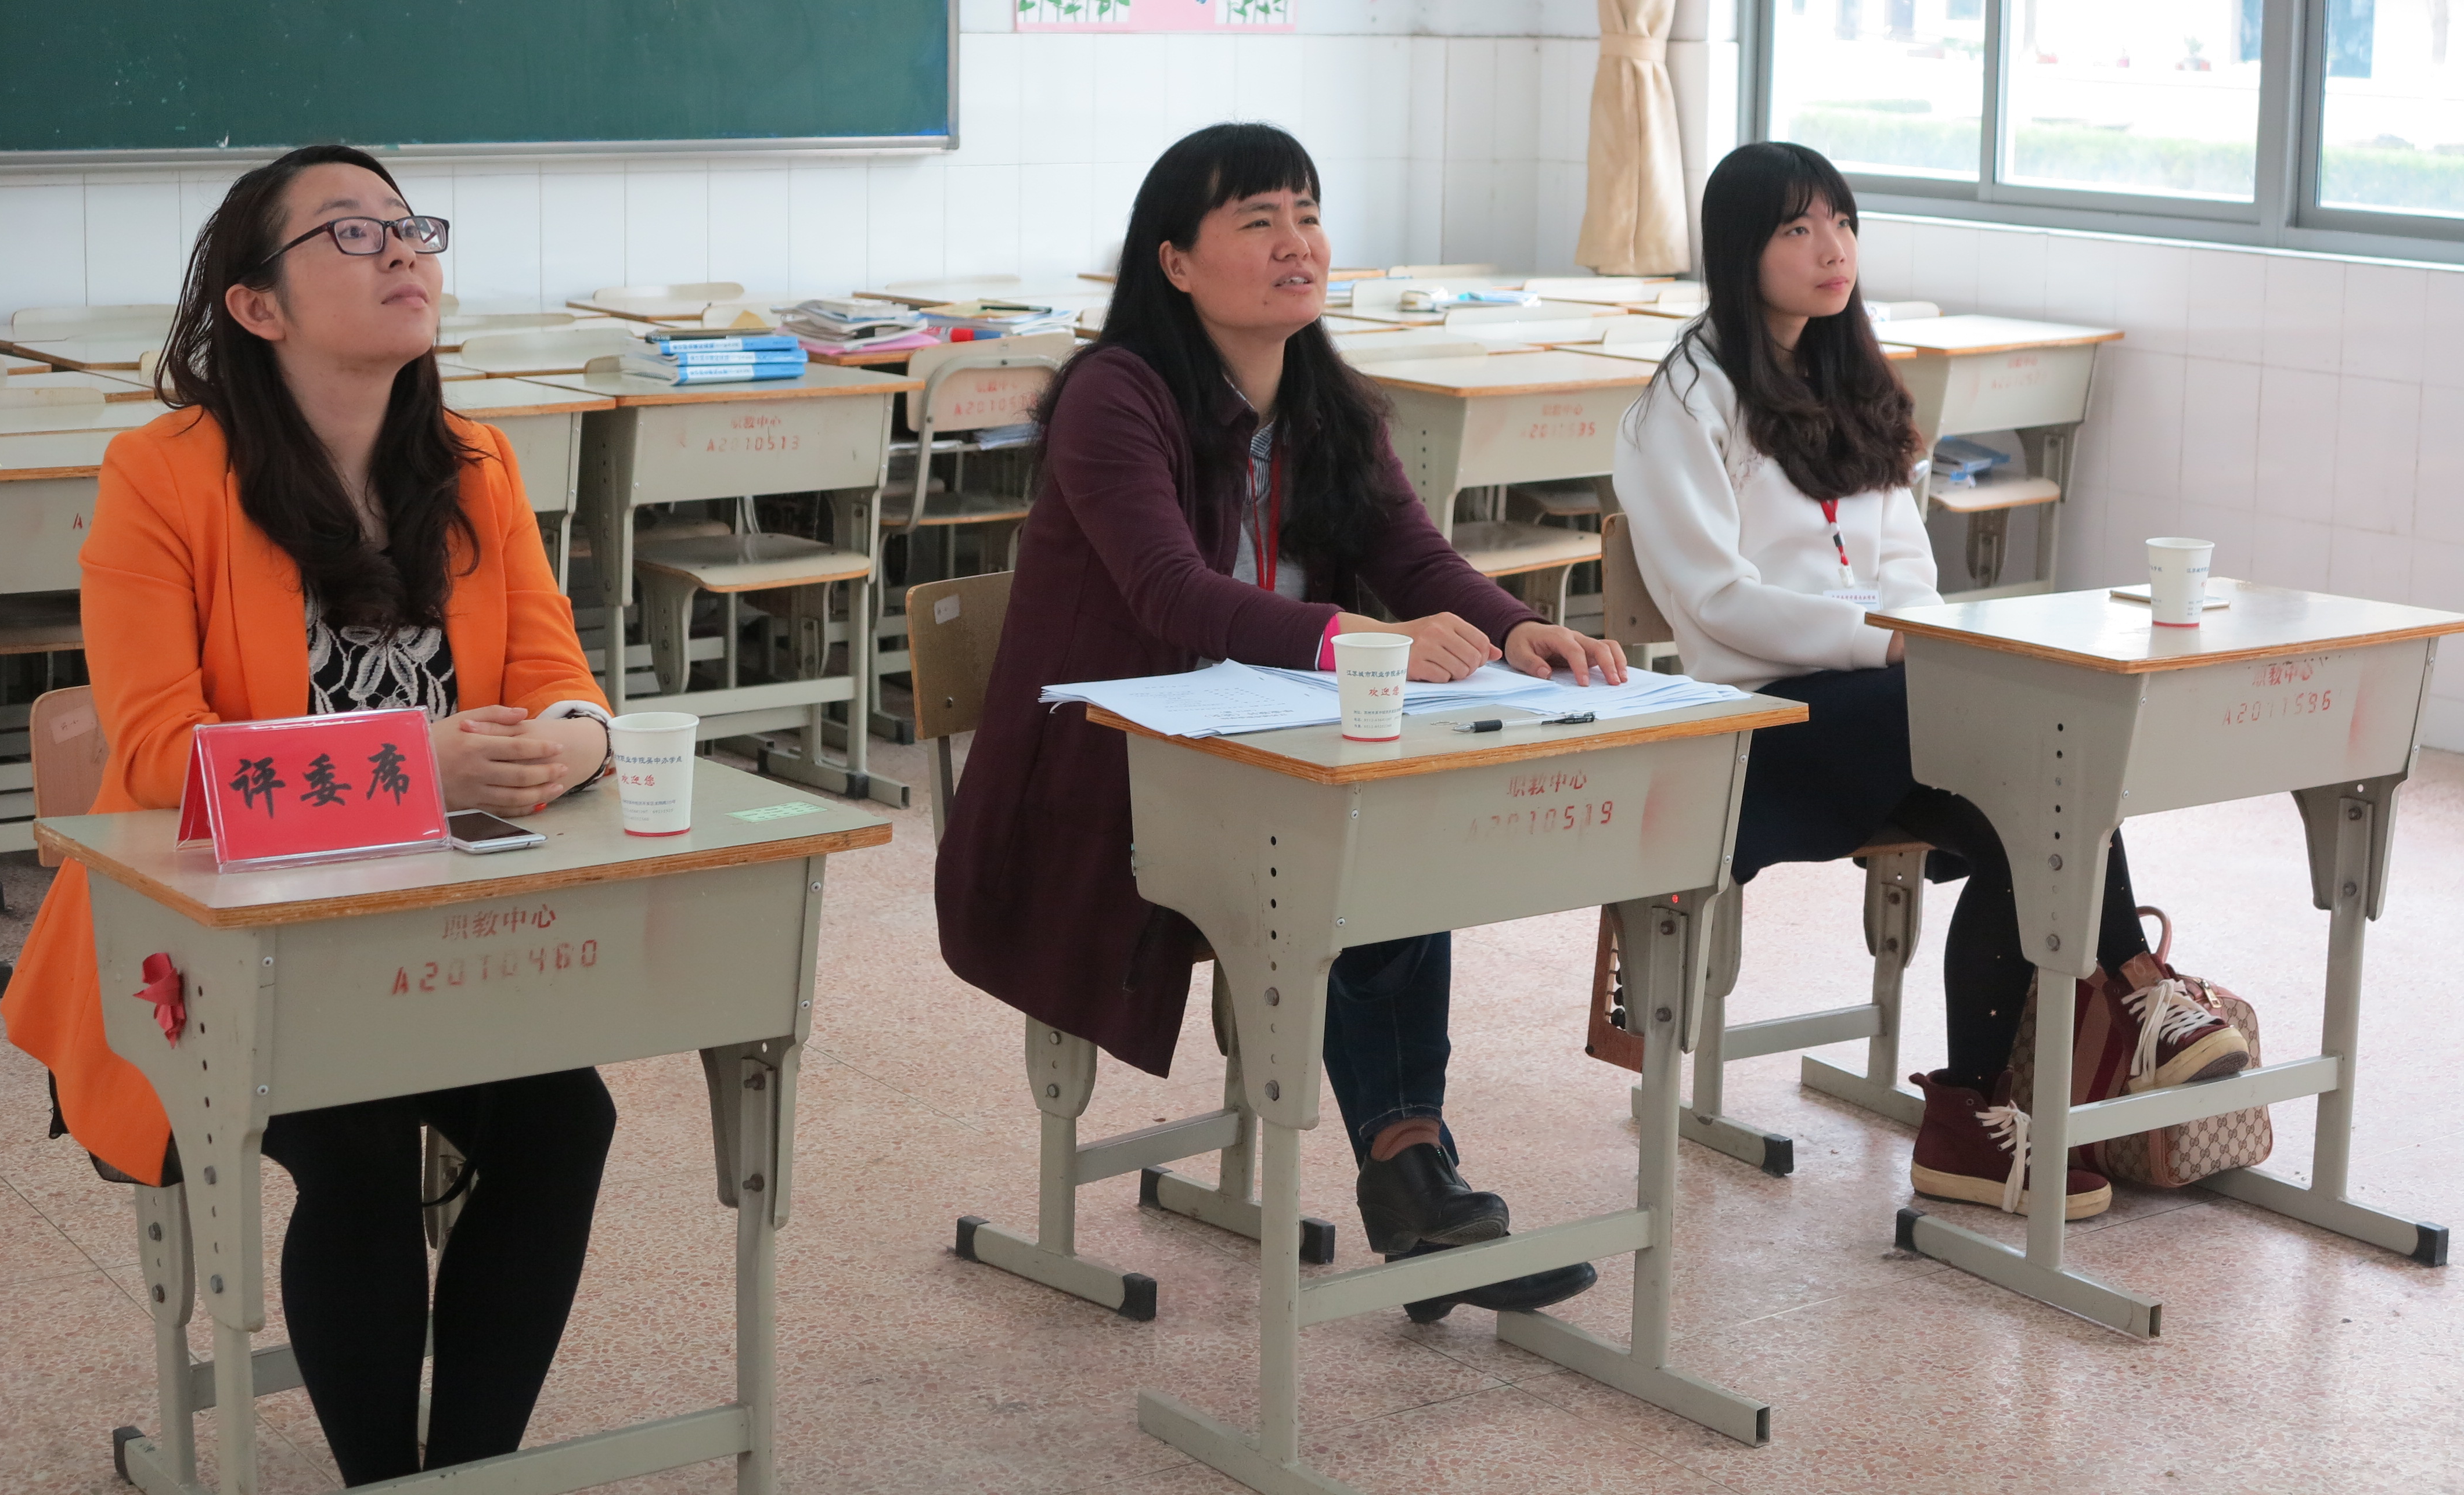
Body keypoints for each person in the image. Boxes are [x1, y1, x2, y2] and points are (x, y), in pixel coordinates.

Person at [2, 145, 619, 1486]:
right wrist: (421, 766)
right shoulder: (163, 474)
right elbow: (160, 759)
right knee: (357, 1141)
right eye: (349, 231)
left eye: (411, 227)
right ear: (256, 306)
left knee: (568, 1120)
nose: (400, 249)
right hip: (214, 949)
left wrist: (575, 742)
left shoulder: (475, 463)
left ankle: (464, 1472)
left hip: (430, 930)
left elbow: (560, 678)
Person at [936, 123, 1623, 1321]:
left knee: (1388, 845)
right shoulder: (1115, 395)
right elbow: (1168, 592)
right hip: (1108, 778)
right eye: (1258, 220)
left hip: (1273, 752)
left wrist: (1517, 629)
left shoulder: (1323, 399)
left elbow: (1410, 554)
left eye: (1307, 214)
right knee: (1348, 859)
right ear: (1175, 263)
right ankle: (1415, 1184)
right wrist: (1357, 641)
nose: (1296, 242)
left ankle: (1413, 1173)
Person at [1612, 140, 2248, 1219]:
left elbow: (1910, 569)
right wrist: (1891, 645)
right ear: (1738, 249)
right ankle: (2138, 987)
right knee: (2031, 746)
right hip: (1761, 722)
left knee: (2034, 808)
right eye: (1798, 229)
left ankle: (1965, 1121)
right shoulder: (1681, 400)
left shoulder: (1853, 381)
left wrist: (1922, 644)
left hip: (1886, 713)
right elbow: (1715, 603)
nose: (1833, 249)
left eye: (1844, 224)